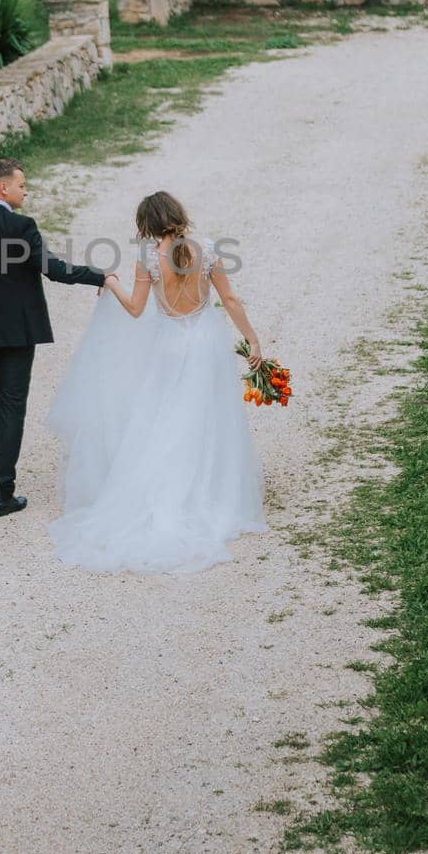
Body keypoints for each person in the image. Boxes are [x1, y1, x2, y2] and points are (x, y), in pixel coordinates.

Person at [45, 189, 266, 574]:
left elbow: (135, 309)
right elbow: (230, 301)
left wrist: (111, 283)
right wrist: (253, 339)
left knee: (167, 416)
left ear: (146, 225)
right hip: (206, 345)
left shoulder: (147, 258)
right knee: (209, 416)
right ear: (178, 214)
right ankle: (209, 490)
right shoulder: (207, 249)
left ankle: (164, 490)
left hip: (170, 345)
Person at [0, 158, 108, 517]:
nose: (25, 191)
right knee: (12, 404)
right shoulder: (22, 226)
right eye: (22, 185)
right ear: (3, 188)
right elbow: (54, 270)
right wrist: (102, 277)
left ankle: (1, 470)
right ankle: (3, 491)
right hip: (17, 332)